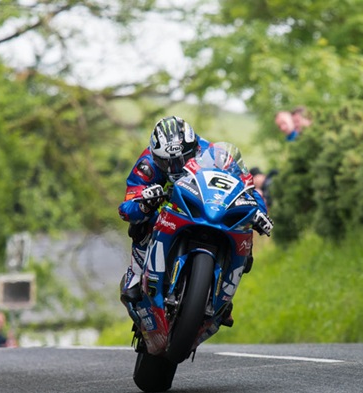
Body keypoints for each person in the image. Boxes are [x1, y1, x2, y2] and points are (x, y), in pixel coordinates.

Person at [117, 116, 273, 325]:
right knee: (141, 222)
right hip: (168, 207)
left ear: (193, 147)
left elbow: (248, 188)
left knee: (245, 231)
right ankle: (136, 275)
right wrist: (144, 203)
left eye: (180, 160)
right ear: (155, 155)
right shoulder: (147, 163)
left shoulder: (215, 154)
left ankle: (224, 298)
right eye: (166, 162)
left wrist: (259, 212)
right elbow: (127, 206)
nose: (173, 168)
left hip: (202, 205)